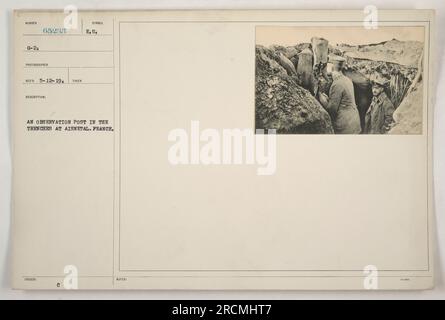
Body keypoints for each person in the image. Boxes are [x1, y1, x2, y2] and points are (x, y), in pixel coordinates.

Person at [318, 55, 361, 134]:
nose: (328, 76)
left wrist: (321, 98)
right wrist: (329, 99)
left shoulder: (337, 84)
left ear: (332, 69)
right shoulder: (347, 79)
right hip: (354, 122)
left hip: (345, 126)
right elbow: (343, 101)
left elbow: (332, 110)